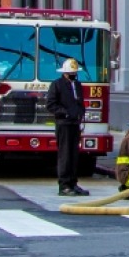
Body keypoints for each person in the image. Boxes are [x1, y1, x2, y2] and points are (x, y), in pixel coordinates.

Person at [44, 58, 90, 196]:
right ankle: (64, 185)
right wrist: (66, 113)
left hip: (75, 124)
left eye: (75, 72)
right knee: (65, 154)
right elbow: (51, 105)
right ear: (65, 73)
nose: (73, 74)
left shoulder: (77, 85)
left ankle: (73, 183)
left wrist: (80, 113)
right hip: (63, 124)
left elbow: (80, 103)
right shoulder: (57, 85)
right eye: (71, 72)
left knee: (74, 155)